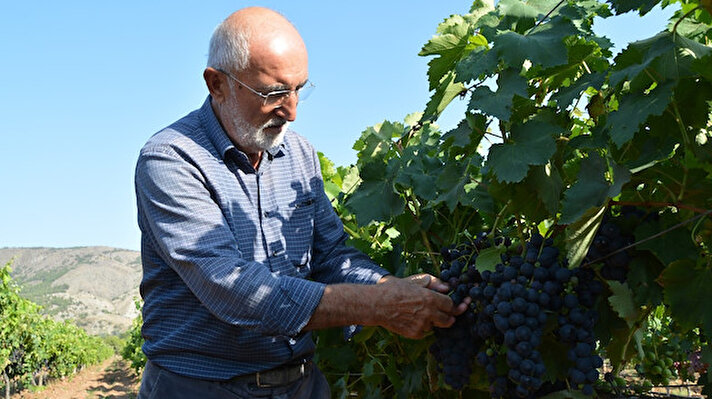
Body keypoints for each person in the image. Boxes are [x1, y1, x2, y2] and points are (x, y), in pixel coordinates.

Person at [134, 7, 465, 399]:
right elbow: (234, 289)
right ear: (217, 84)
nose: (291, 111)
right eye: (273, 93)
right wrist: (377, 305)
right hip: (201, 388)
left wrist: (388, 286)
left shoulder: (299, 154)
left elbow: (331, 257)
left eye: (298, 89)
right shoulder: (171, 159)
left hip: (302, 385)